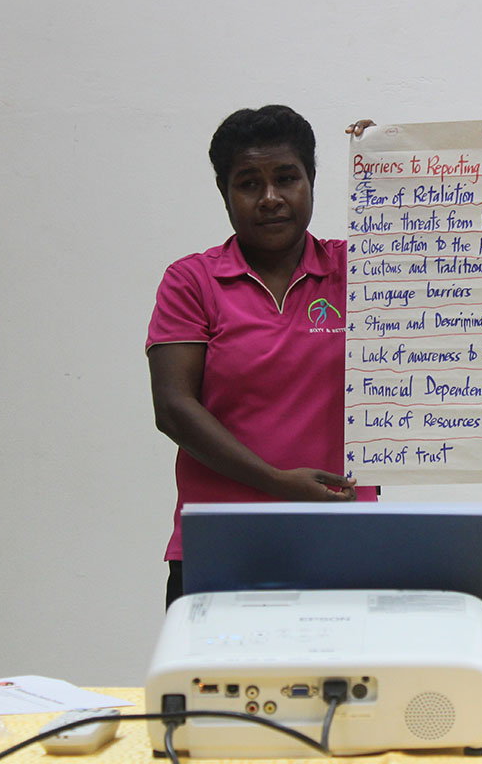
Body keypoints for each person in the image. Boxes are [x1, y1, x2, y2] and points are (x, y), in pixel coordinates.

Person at [147, 105, 377, 608]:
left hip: (344, 537)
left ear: (312, 182)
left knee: (344, 687)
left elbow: (441, 262)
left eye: (287, 178)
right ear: (225, 194)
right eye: (249, 183)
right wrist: (278, 483)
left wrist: (388, 162)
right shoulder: (192, 281)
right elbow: (174, 408)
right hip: (220, 544)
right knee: (213, 689)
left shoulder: (360, 271)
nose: (271, 198)